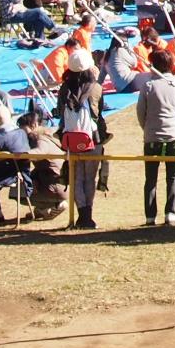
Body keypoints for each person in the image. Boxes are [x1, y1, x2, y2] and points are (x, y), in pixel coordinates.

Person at [134, 47, 175, 226]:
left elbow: (141, 112)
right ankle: (171, 212)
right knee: (173, 175)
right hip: (172, 135)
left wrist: (147, 128)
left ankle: (150, 215)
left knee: (151, 177)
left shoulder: (148, 86)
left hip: (152, 135)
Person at [56, 56, 103, 229]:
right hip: (92, 139)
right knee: (89, 178)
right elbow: (99, 114)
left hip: (70, 138)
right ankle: (87, 215)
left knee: (76, 178)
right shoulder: (96, 88)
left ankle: (81, 213)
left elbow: (59, 112)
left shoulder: (64, 89)